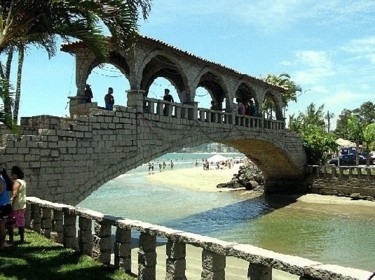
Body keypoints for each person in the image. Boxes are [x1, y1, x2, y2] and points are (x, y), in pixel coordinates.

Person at [8, 166, 27, 244]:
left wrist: (11, 204)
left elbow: (14, 194)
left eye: (12, 174)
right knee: (21, 222)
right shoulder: (23, 182)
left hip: (16, 205)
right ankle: (22, 239)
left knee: (11, 222)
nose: (11, 176)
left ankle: (11, 239)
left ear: (15, 174)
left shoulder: (16, 182)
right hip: (22, 205)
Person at [0, 168, 12, 249]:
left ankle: (2, 244)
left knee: (1, 225)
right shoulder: (3, 178)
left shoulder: (0, 180)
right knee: (2, 225)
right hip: (5, 204)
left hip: (2, 205)